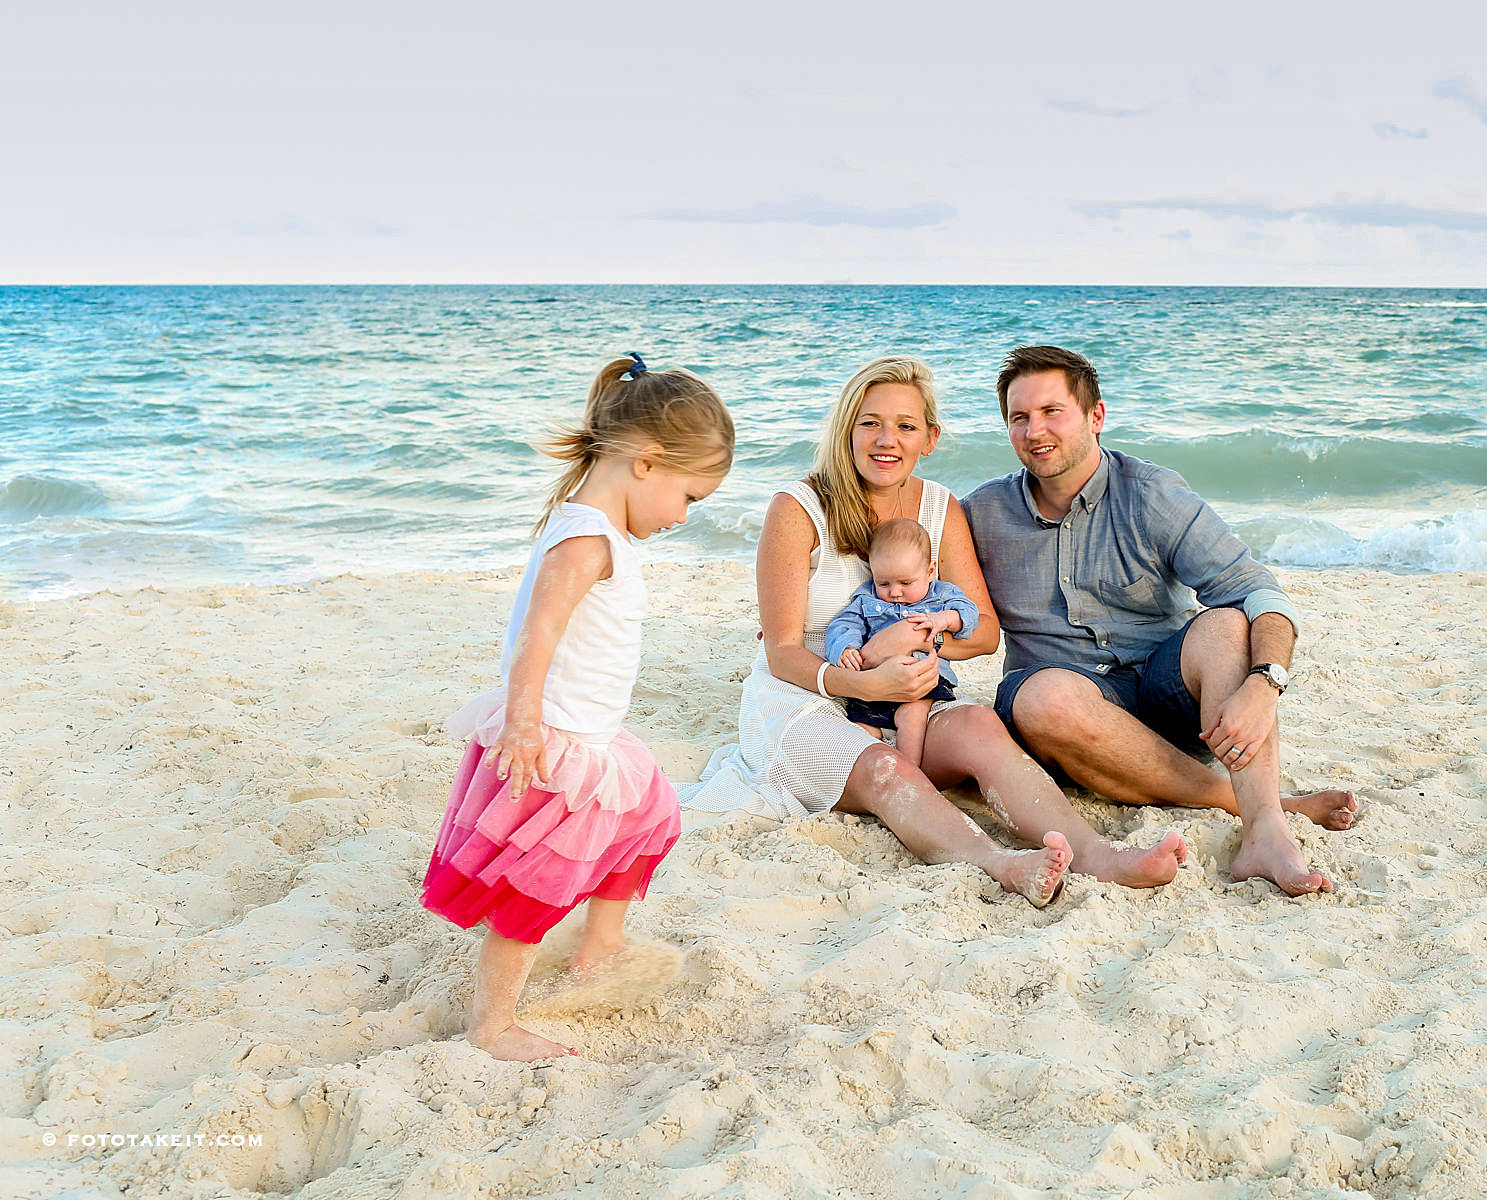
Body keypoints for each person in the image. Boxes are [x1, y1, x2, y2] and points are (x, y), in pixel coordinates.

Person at [683, 356, 1187, 904]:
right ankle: (1001, 864)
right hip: (809, 693)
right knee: (881, 766)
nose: (886, 440)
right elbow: (781, 652)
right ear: (846, 428)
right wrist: (868, 683)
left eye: (905, 425)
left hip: (914, 687)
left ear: (930, 438)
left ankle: (1096, 855)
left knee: (977, 724)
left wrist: (921, 641)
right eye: (870, 422)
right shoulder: (798, 508)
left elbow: (985, 632)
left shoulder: (940, 508)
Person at [421, 353, 734, 1061]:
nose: (685, 517)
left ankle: (603, 944)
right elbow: (538, 635)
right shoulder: (586, 539)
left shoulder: (599, 529)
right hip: (557, 741)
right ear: (647, 463)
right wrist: (526, 725)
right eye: (691, 497)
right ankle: (493, 1026)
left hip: (597, 737)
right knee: (534, 889)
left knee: (654, 818)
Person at [963, 345, 1358, 897]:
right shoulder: (981, 513)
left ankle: (1265, 831)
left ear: (1096, 416)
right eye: (1019, 417)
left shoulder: (1150, 493)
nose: (1035, 430)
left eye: (1053, 411)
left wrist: (1266, 683)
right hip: (1067, 716)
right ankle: (1262, 800)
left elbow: (1257, 590)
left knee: (1224, 624)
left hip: (1170, 699)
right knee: (1043, 697)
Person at [824, 516, 980, 765]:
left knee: (912, 716)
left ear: (930, 571)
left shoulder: (941, 594)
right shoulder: (867, 599)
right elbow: (843, 624)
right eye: (883, 582)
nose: (894, 592)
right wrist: (845, 648)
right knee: (862, 726)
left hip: (921, 680)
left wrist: (945, 619)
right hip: (876, 682)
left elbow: (970, 613)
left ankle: (910, 769)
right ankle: (877, 773)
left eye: (906, 583)